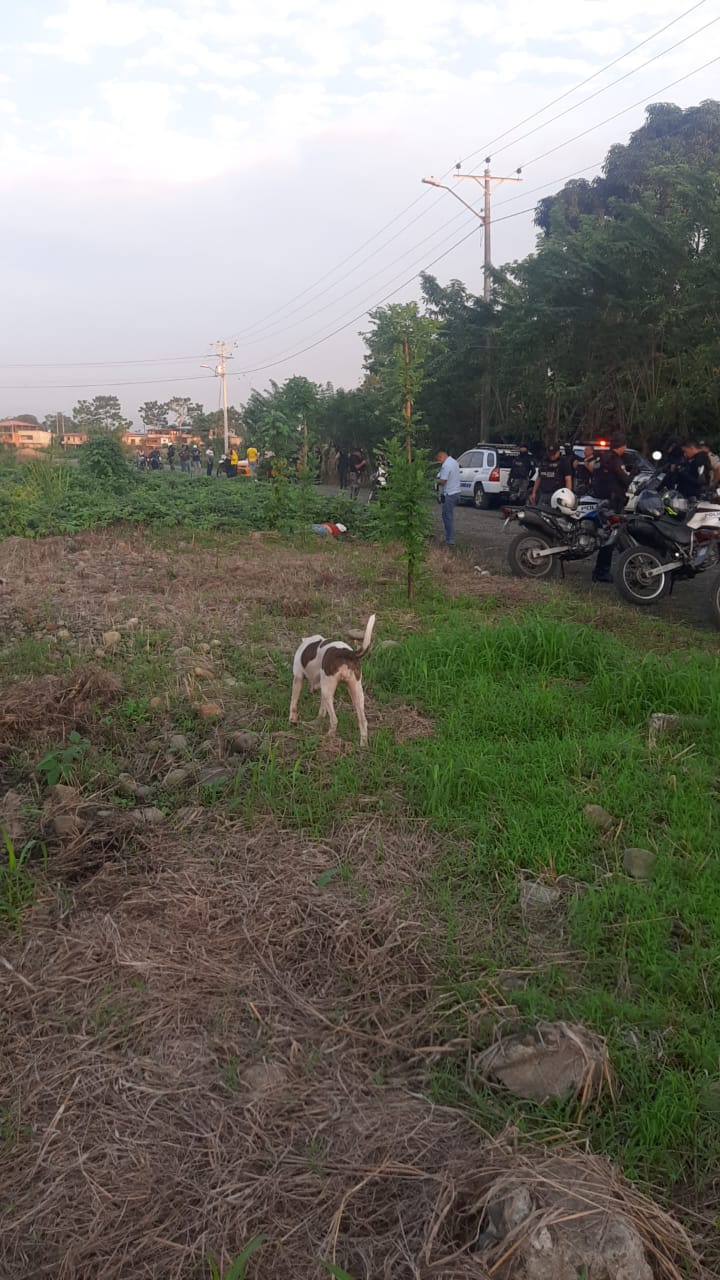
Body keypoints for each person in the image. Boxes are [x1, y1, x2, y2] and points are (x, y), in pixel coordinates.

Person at [591, 434, 631, 583]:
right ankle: (602, 572)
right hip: (614, 503)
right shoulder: (615, 460)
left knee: (605, 535)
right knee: (611, 538)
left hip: (601, 501)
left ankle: (600, 570)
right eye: (624, 446)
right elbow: (625, 480)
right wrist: (632, 473)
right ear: (620, 447)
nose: (625, 449)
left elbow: (593, 475)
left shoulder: (600, 459)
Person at [436, 450, 462, 547]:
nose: (439, 462)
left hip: (450, 493)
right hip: (456, 492)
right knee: (447, 515)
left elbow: (443, 481)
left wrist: (435, 481)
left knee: (447, 517)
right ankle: (449, 538)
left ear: (441, 456)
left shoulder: (446, 465)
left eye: (439, 460)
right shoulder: (454, 462)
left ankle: (450, 540)